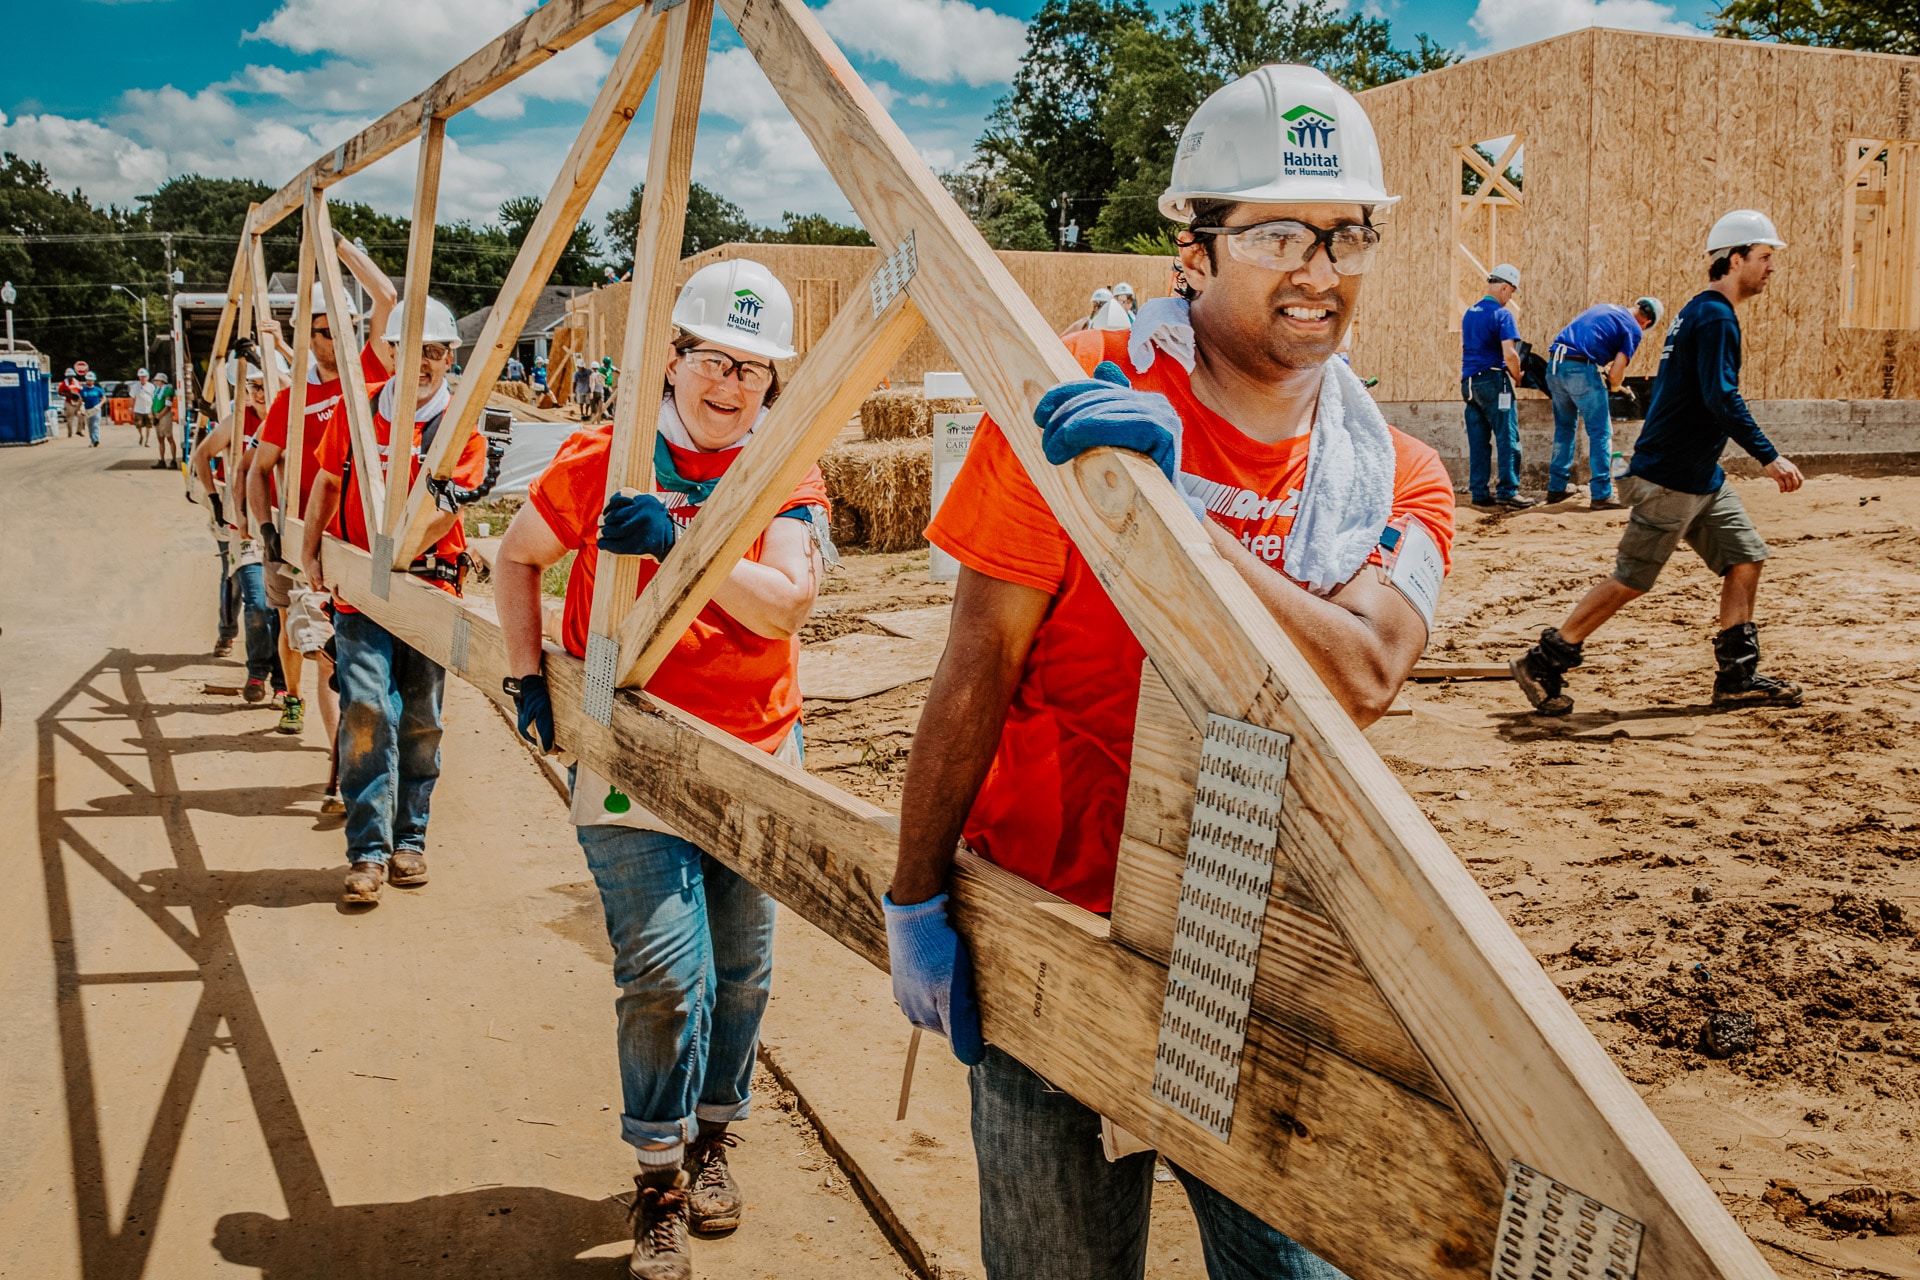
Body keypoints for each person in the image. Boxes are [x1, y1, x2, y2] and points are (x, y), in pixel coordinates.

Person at [886, 64, 1453, 1280]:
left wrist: (1167, 518)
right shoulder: (1080, 393)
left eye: (1349, 232)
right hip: (1053, 916)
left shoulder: (1395, 473)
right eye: (1280, 233)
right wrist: (916, 895)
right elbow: (980, 654)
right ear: (1192, 252)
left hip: (1261, 939)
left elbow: (1364, 669)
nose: (1322, 268)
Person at [496, 258, 829, 1280]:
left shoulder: (785, 470)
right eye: (713, 361)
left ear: (775, 384)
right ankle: (659, 1181)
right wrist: (527, 678)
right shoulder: (602, 460)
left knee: (743, 970)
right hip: (632, 754)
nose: (729, 386)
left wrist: (684, 537)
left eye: (754, 369)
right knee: (663, 978)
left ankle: (712, 1135)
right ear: (673, 359)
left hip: (753, 753)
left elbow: (784, 603)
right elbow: (514, 556)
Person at [1510, 210, 1805, 718]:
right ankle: (1545, 660)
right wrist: (1769, 457)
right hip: (1669, 478)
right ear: (1734, 260)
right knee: (1632, 578)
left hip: (1701, 477)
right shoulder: (1713, 316)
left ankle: (1737, 676)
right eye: (1763, 258)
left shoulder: (1699, 311)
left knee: (1745, 557)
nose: (1770, 268)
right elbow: (1722, 397)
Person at [301, 296, 488, 906]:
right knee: (365, 712)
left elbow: (441, 516)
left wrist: (390, 560)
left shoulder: (458, 427)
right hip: (358, 594)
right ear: (390, 353)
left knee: (420, 720)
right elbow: (329, 480)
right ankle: (368, 853)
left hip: (427, 591)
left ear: (448, 357)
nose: (422, 364)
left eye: (433, 352)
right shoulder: (359, 416)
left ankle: (410, 839)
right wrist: (312, 552)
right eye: (410, 351)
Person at [250, 274, 395, 752]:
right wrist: (267, 529)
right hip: (309, 539)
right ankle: (335, 751)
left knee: (357, 654)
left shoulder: (368, 372)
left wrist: (339, 248)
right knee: (314, 647)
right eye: (326, 330)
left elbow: (388, 298)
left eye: (344, 327)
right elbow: (256, 470)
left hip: (362, 540)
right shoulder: (292, 400)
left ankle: (354, 759)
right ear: (308, 340)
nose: (340, 337)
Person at [192, 352, 289, 700]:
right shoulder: (238, 421)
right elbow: (209, 457)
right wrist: (217, 501)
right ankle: (254, 670)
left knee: (281, 608)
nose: (259, 394)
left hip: (281, 527)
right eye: (253, 386)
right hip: (244, 526)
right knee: (253, 599)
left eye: (264, 386)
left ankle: (282, 682)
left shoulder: (290, 416)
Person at [1545, 298, 1663, 507]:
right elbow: (1617, 373)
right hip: (1580, 369)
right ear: (1647, 323)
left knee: (1564, 428)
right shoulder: (1633, 329)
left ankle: (1557, 487)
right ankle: (1601, 493)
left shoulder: (1606, 309)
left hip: (1554, 366)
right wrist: (1615, 385)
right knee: (1600, 432)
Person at [1461, 264, 1533, 509]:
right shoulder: (1503, 315)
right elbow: (1510, 353)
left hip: (1470, 384)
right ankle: (1508, 491)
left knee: (1479, 442)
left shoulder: (1470, 312)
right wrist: (1519, 376)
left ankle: (1479, 492)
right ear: (1504, 287)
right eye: (1511, 292)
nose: (1510, 297)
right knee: (1507, 437)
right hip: (1494, 381)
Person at [151, 373, 179, 470]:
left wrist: (159, 416)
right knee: (160, 438)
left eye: (157, 380)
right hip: (157, 415)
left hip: (164, 416)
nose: (156, 382)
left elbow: (168, 406)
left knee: (169, 437)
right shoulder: (156, 391)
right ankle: (162, 460)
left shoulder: (167, 390)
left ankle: (173, 460)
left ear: (162, 381)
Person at [80, 371, 106, 447]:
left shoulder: (98, 390)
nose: (89, 381)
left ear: (94, 381)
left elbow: (104, 398)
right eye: (88, 380)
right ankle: (92, 440)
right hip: (88, 410)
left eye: (91, 380)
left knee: (95, 425)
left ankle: (96, 439)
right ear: (86, 380)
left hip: (96, 410)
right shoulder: (83, 390)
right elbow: (81, 400)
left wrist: (100, 405)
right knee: (90, 426)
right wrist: (80, 408)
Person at [58, 367, 85, 438]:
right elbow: (60, 392)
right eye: (69, 375)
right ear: (66, 376)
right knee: (69, 418)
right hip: (69, 402)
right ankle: (70, 433)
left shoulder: (77, 382)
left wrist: (80, 398)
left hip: (78, 401)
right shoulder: (64, 383)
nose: (70, 377)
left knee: (81, 415)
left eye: (71, 375)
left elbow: (81, 391)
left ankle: (79, 431)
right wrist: (67, 394)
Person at [132, 369, 157, 446]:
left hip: (148, 409)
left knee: (148, 426)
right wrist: (130, 407)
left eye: (144, 376)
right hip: (138, 409)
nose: (142, 378)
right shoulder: (135, 386)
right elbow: (132, 397)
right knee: (138, 425)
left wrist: (154, 409)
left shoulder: (151, 386)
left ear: (147, 377)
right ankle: (141, 436)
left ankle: (147, 441)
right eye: (141, 376)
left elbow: (154, 398)